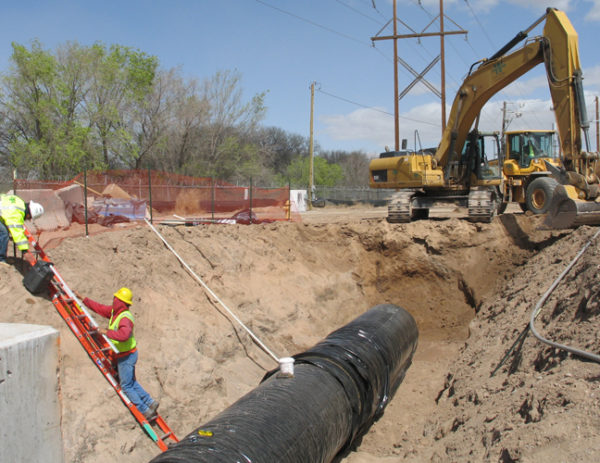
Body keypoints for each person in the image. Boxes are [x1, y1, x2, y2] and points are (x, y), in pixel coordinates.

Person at [82, 287, 159, 420]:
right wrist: (84, 300)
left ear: (122, 302)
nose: (114, 300)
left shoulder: (124, 318)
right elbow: (100, 308)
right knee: (131, 382)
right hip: (127, 354)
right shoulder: (115, 313)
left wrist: (107, 332)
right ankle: (150, 402)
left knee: (126, 386)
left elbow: (124, 335)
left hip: (127, 356)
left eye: (116, 299)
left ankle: (145, 410)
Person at [0, 194, 44, 264]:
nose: (28, 220)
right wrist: (25, 251)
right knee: (4, 233)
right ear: (29, 214)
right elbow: (17, 232)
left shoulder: (19, 202)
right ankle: (1, 259)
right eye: (29, 218)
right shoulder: (17, 214)